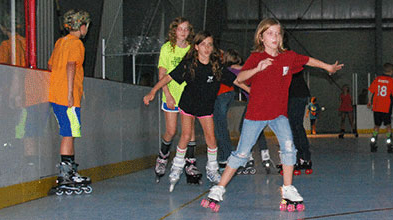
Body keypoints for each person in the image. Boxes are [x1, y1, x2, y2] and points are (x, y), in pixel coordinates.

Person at [202, 18, 343, 212]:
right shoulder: (255, 58)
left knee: (289, 149)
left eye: (277, 33)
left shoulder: (288, 57)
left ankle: (288, 188)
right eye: (270, 33)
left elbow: (307, 60)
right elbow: (240, 78)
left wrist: (327, 67)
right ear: (261, 37)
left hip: (278, 114)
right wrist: (257, 69)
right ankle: (218, 190)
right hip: (256, 114)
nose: (275, 37)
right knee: (241, 154)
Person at [144, 31, 230, 191]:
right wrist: (154, 91)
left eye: (209, 45)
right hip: (185, 102)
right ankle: (173, 166)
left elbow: (235, 79)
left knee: (208, 137)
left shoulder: (214, 64)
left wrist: (252, 90)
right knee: (181, 134)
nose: (206, 48)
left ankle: (209, 169)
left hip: (203, 105)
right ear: (196, 46)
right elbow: (167, 76)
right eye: (203, 44)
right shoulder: (183, 60)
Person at [48, 9, 93, 195]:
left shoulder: (61, 41)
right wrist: (69, 93)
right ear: (82, 27)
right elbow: (71, 65)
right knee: (69, 132)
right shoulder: (76, 44)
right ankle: (66, 174)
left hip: (56, 93)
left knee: (71, 131)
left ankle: (70, 171)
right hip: (68, 96)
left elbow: (52, 64)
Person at [154, 17, 199, 184]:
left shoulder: (191, 50)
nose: (183, 32)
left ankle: (191, 163)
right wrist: (168, 94)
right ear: (174, 31)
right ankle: (163, 156)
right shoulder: (167, 48)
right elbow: (162, 74)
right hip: (171, 95)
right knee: (171, 131)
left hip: (188, 95)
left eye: (186, 29)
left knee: (189, 131)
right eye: (180, 29)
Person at [225, 49, 273, 175]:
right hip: (262, 99)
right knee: (257, 129)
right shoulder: (245, 68)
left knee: (244, 128)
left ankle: (248, 158)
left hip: (254, 100)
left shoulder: (230, 71)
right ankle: (265, 155)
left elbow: (239, 82)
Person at [368, 63, 393, 153]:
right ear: (391, 71)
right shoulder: (392, 81)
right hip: (386, 107)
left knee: (376, 126)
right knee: (388, 126)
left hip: (377, 107)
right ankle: (389, 144)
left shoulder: (377, 79)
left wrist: (369, 102)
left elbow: (371, 92)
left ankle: (373, 141)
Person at [287, 70, 314, 175]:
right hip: (299, 93)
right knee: (297, 126)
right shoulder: (293, 59)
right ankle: (305, 157)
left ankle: (299, 157)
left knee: (294, 126)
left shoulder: (287, 59)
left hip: (294, 94)